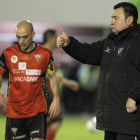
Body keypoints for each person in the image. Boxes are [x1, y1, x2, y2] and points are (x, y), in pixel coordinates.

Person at [56, 2, 140, 140]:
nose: (111, 22)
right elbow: (88, 53)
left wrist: (134, 96)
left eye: (116, 18)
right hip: (111, 120)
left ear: (129, 20)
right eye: (111, 17)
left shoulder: (137, 43)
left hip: (130, 120)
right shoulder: (111, 42)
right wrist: (69, 44)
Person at [0, 21, 60, 140]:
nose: (21, 41)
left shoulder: (45, 54)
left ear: (33, 34)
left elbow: (53, 77)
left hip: (37, 111)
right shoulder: (8, 54)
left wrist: (56, 99)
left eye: (25, 37)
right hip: (15, 112)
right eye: (19, 37)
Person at [43, 29, 79, 140]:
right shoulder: (44, 53)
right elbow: (50, 75)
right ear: (50, 39)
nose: (57, 40)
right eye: (55, 37)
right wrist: (69, 83)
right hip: (45, 94)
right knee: (56, 121)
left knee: (48, 123)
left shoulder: (48, 53)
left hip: (48, 94)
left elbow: (54, 75)